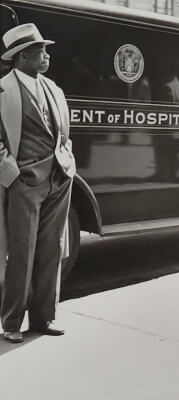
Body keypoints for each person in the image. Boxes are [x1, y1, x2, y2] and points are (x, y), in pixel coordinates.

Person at [0, 23, 75, 343]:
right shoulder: (2, 91)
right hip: (24, 181)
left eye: (45, 50)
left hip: (59, 178)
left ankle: (44, 318)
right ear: (22, 56)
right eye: (40, 51)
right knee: (21, 252)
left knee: (51, 249)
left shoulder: (54, 88)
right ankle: (11, 322)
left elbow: (63, 133)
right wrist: (11, 173)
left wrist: (68, 161)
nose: (46, 56)